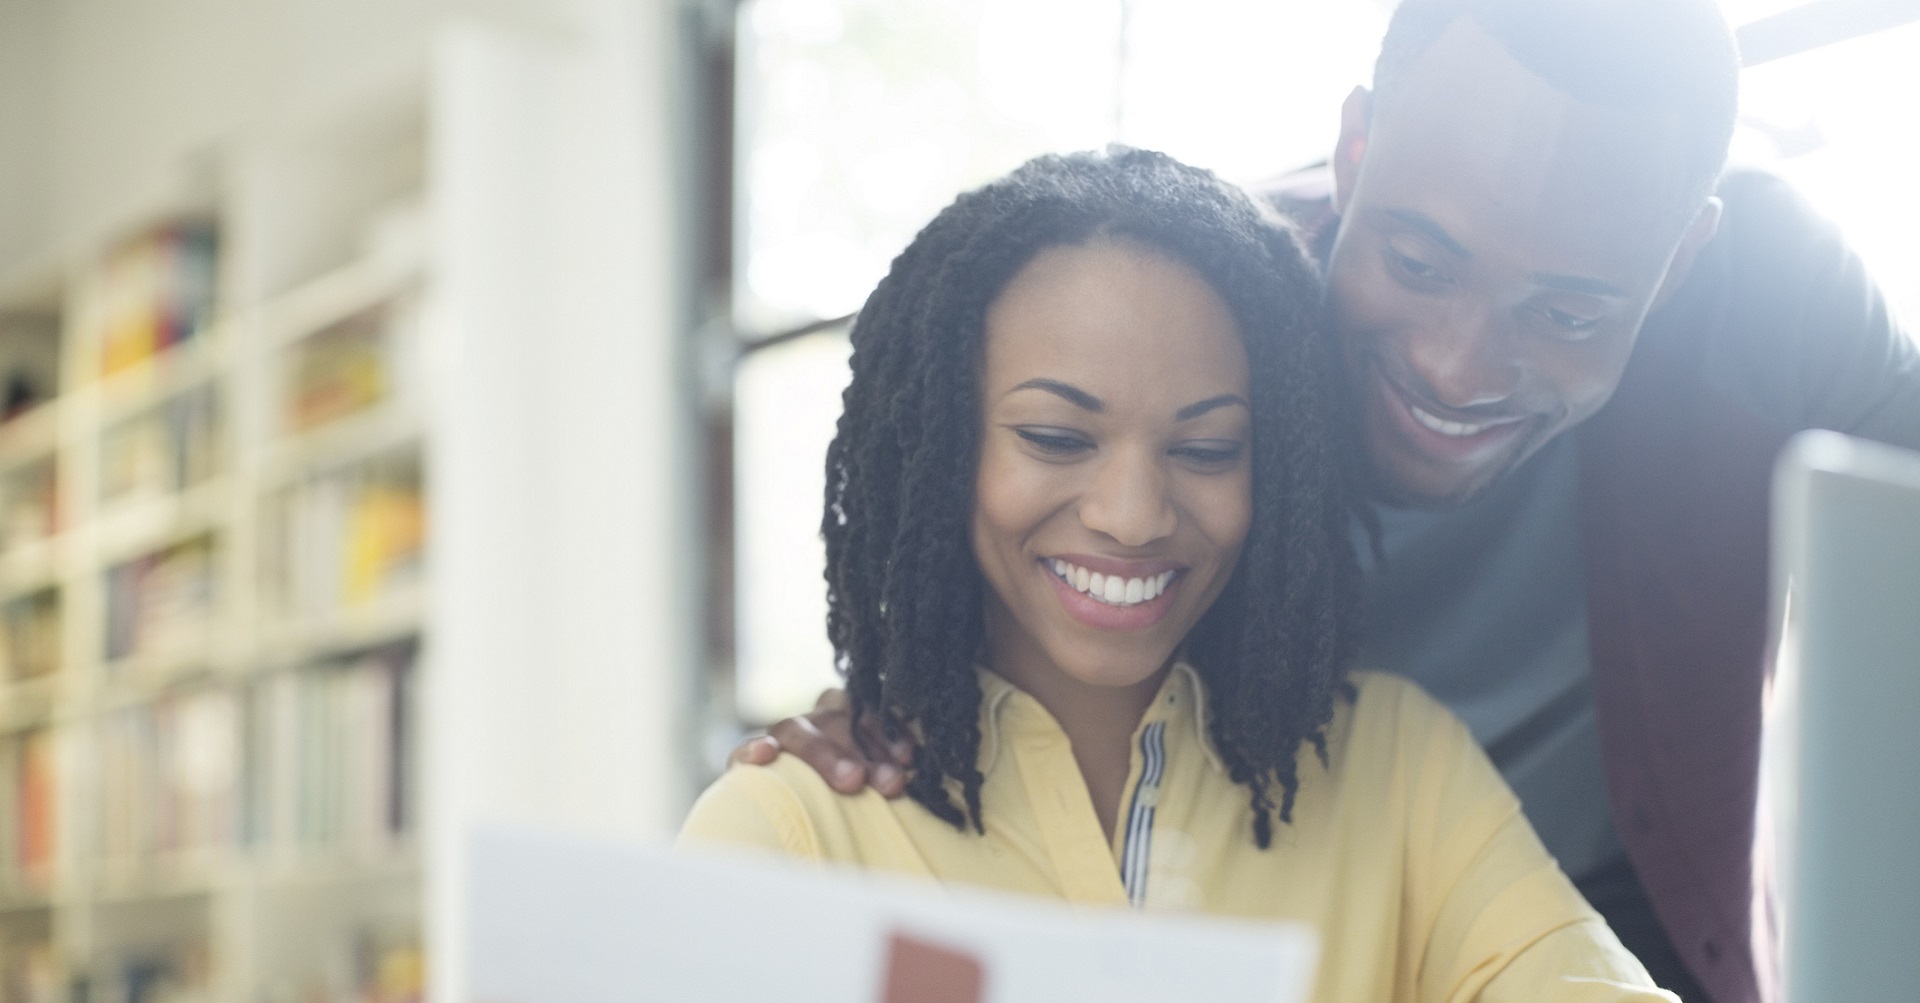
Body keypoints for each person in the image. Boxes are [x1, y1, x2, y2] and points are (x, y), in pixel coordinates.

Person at [730, 3, 1920, 1003]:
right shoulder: (1198, 312)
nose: (1457, 367)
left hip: (1613, 905)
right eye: (1417, 263)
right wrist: (905, 685)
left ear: (1677, 263)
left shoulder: (1782, 302)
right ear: (1356, 151)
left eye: (1566, 315)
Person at [684, 146, 1677, 1003]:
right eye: (1056, 435)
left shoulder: (1398, 766)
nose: (1133, 514)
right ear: (939, 446)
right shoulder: (792, 831)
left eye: (1207, 450)